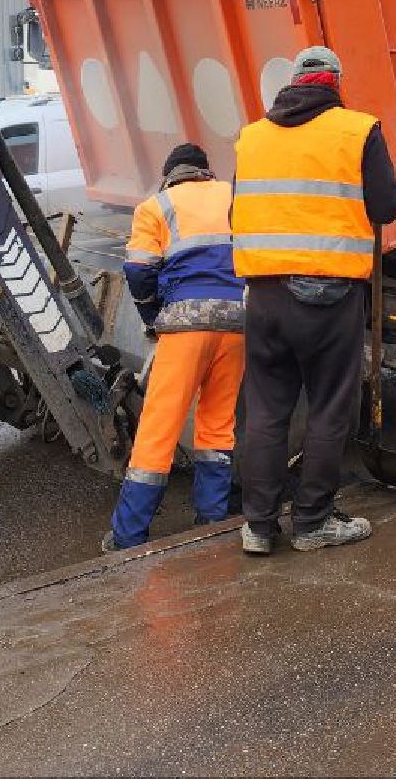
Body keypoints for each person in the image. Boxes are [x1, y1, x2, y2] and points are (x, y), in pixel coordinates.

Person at [232, 45, 396, 555]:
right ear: (336, 83)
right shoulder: (357, 130)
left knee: (265, 412)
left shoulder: (252, 138)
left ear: (292, 83)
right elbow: (387, 206)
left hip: (264, 297)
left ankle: (258, 527)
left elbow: (238, 212)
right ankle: (312, 522)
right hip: (328, 299)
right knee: (330, 409)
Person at [104, 142, 247, 552]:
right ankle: (212, 521)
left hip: (185, 327)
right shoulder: (232, 195)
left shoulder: (155, 206)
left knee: (158, 429)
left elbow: (138, 269)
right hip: (238, 323)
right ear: (206, 172)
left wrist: (151, 315)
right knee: (218, 426)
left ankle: (128, 536)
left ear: (169, 175)